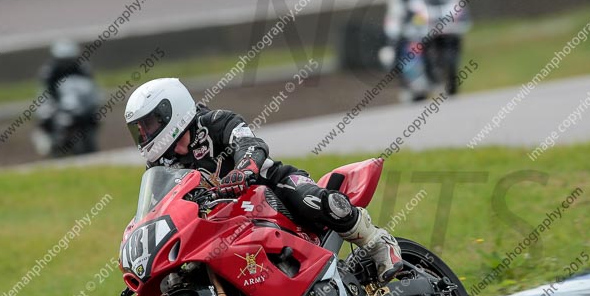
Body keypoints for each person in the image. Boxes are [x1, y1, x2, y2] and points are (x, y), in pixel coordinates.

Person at [124, 78, 403, 284]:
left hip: (271, 186)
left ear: (169, 112)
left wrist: (244, 169)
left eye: (147, 125)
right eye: (138, 130)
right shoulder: (161, 164)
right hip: (225, 218)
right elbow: (160, 205)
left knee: (312, 199)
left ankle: (378, 243)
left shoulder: (215, 122)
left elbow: (251, 144)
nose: (144, 135)